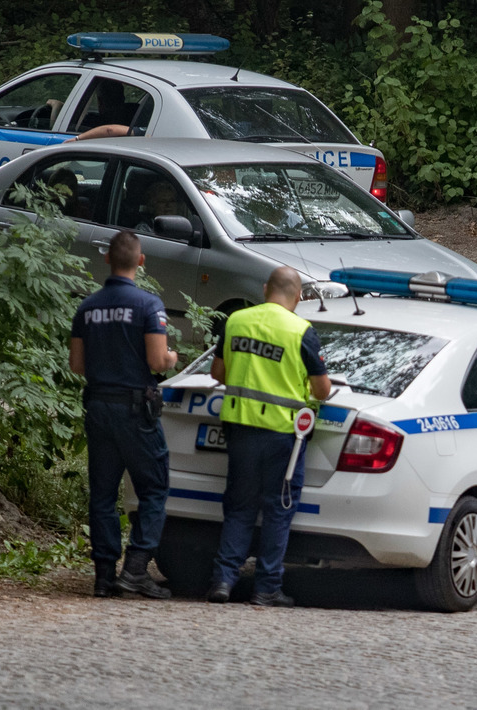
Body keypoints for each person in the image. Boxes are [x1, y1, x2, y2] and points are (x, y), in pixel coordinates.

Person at [206, 266, 331, 607]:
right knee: (278, 509)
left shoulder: (236, 321)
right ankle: (266, 588)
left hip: (239, 427)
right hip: (282, 436)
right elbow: (322, 391)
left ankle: (223, 581)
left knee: (240, 506)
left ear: (265, 289)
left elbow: (218, 372)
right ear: (299, 296)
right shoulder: (301, 331)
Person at [69, 230, 179, 599]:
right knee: (154, 488)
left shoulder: (87, 307)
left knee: (102, 493)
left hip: (98, 407)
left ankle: (103, 577)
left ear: (107, 260)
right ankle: (134, 570)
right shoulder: (149, 306)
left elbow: (77, 365)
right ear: (141, 261)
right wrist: (171, 358)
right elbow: (156, 360)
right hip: (135, 412)